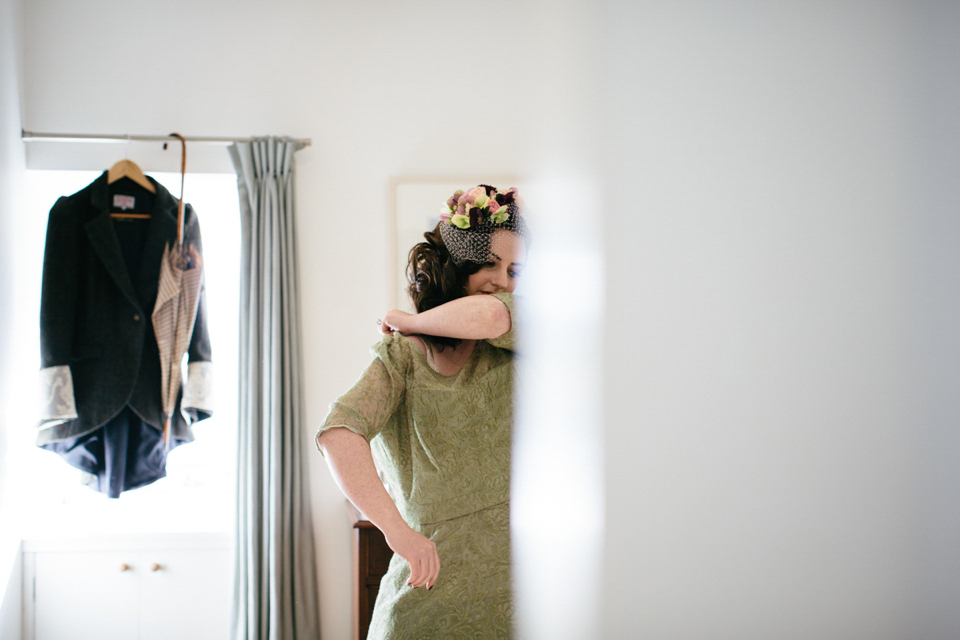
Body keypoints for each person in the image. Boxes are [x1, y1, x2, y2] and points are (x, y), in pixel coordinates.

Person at [316, 185, 528, 638]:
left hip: (518, 591)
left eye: (515, 269)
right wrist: (397, 532)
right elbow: (338, 434)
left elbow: (491, 316)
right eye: (490, 263)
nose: (504, 280)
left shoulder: (519, 336)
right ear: (456, 266)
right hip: (431, 589)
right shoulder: (402, 358)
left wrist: (409, 320)